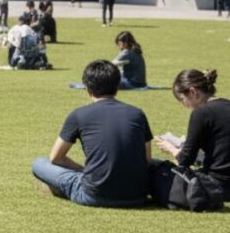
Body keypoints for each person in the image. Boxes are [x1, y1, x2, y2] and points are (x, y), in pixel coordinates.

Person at [31, 60, 152, 207]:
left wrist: (83, 170)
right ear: (117, 86)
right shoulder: (137, 114)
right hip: (136, 196)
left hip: (93, 195)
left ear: (87, 88)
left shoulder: (79, 115)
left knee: (39, 163)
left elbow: (56, 158)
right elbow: (146, 160)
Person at [155, 69, 230, 201]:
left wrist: (172, 149)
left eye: (183, 100)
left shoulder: (201, 113)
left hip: (219, 184)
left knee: (159, 172)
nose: (184, 105)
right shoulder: (226, 104)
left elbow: (185, 160)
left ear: (192, 92)